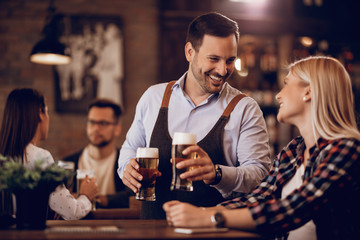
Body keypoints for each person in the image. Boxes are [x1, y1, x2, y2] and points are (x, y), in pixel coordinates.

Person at [163, 56, 360, 240]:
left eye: (286, 84)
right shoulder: (293, 151)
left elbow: (295, 208)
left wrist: (209, 218)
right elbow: (259, 199)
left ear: (308, 91)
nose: (278, 95)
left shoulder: (348, 149)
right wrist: (198, 212)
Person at [118, 12, 271, 219]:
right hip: (152, 230)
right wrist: (127, 168)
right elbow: (129, 149)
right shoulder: (154, 97)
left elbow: (260, 175)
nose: (223, 70)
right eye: (214, 59)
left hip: (214, 233)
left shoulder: (245, 109)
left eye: (230, 60)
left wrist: (217, 174)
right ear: (190, 52)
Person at [0, 88, 99, 220]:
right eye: (47, 112)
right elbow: (72, 212)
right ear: (40, 114)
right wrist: (86, 195)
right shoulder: (39, 157)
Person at [64, 98, 133, 208]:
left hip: (117, 223)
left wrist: (96, 199)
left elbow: (132, 196)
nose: (96, 128)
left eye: (103, 123)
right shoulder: (68, 162)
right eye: (91, 122)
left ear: (117, 129)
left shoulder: (126, 162)